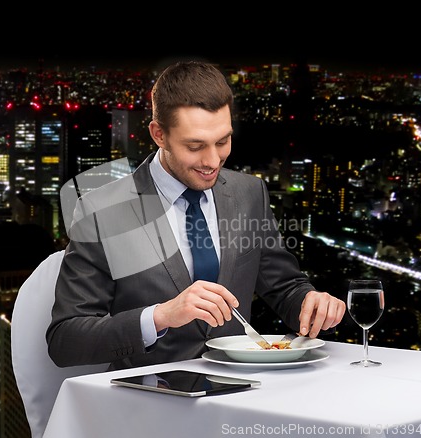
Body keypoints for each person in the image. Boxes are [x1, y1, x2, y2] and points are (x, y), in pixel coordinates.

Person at [46, 60, 346, 370]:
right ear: (158, 134)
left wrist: (312, 303)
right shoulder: (101, 211)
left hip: (242, 395)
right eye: (195, 146)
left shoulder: (249, 193)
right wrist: (161, 316)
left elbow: (284, 287)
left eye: (222, 141)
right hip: (148, 403)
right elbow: (65, 340)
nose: (213, 160)